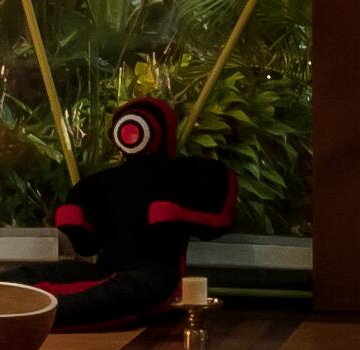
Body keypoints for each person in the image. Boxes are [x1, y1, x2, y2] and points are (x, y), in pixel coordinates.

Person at [48, 97, 238, 330]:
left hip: (156, 275)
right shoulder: (102, 183)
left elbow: (219, 220)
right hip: (107, 270)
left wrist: (176, 215)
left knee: (112, 294)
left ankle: (34, 312)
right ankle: (15, 302)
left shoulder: (187, 174)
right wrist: (76, 223)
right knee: (28, 276)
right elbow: (86, 246)